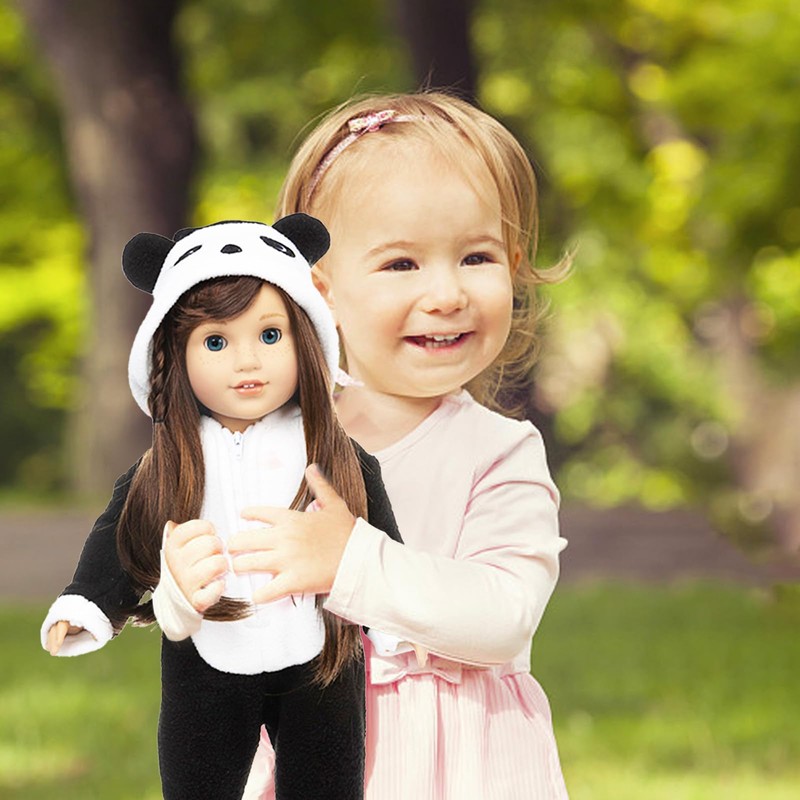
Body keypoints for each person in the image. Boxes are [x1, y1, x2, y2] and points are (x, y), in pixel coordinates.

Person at [196, 91, 569, 799]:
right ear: (321, 291)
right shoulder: (280, 438)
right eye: (402, 264)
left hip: (460, 767)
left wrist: (352, 561)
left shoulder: (499, 452)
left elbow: (504, 615)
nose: (447, 293)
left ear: (514, 266)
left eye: (477, 257)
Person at [39, 216, 401, 800]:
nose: (247, 361)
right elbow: (118, 538)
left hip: (320, 657)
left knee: (328, 783)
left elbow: (379, 539)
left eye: (270, 335)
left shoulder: (330, 453)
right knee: (197, 782)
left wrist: (393, 620)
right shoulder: (170, 463)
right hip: (204, 656)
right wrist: (87, 605)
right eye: (215, 342)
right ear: (174, 355)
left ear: (306, 338)